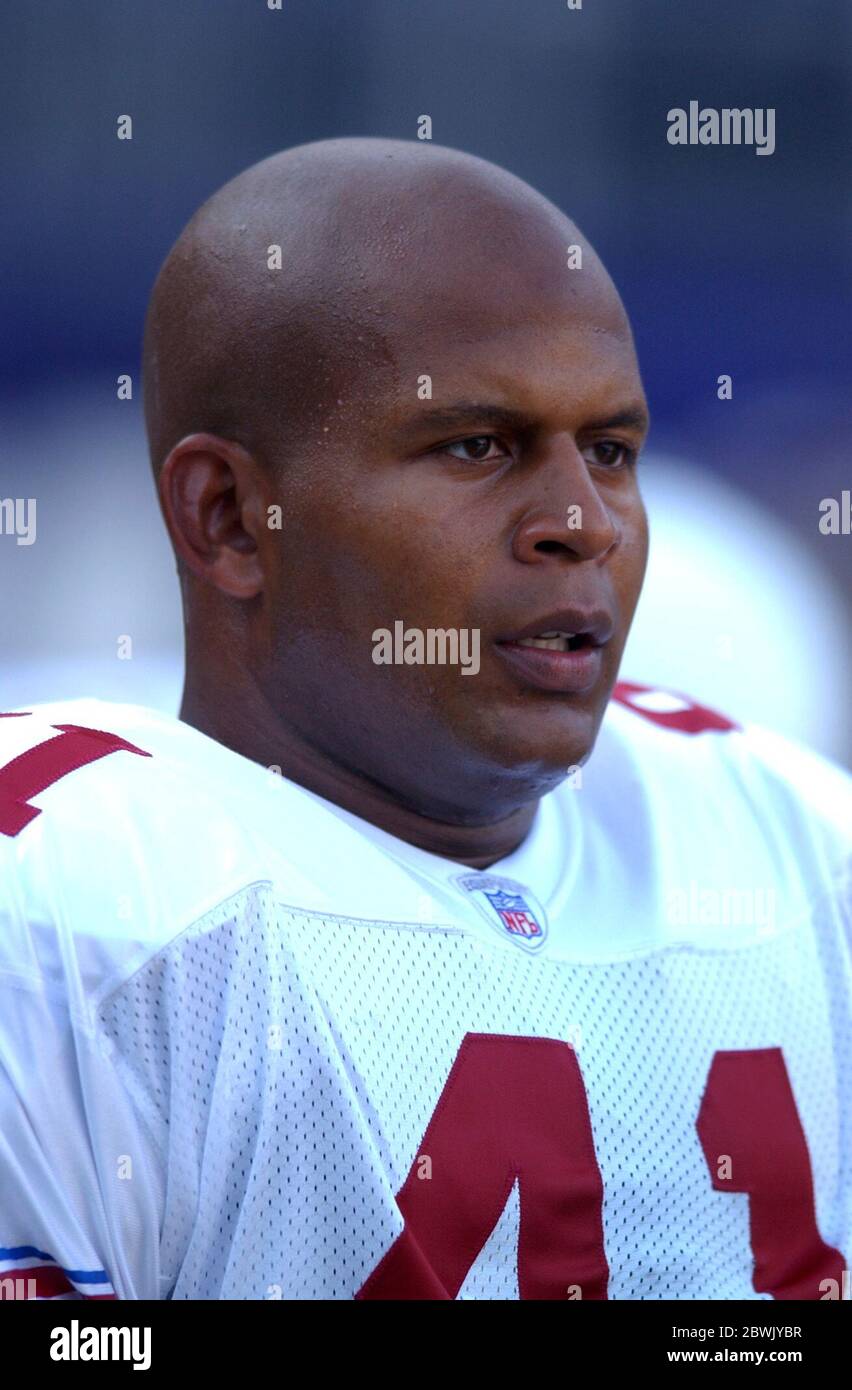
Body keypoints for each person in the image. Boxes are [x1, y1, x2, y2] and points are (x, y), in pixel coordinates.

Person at [1, 138, 849, 1301]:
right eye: (477, 446)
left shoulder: (800, 846)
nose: (581, 522)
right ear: (234, 520)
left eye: (610, 451)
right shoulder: (66, 917)